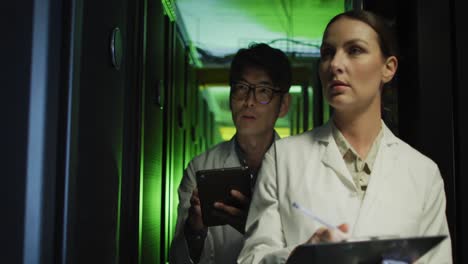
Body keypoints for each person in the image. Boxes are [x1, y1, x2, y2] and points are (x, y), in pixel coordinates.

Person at [238, 10, 452, 264]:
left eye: (355, 50)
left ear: (388, 68)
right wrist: (300, 258)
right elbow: (251, 258)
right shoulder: (282, 158)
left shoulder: (423, 174)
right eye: (327, 53)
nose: (335, 64)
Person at [169, 43, 292, 264]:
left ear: (283, 105)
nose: (249, 101)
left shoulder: (296, 167)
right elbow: (178, 259)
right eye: (241, 88)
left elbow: (304, 250)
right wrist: (195, 229)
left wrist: (252, 224)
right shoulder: (201, 167)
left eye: (263, 91)